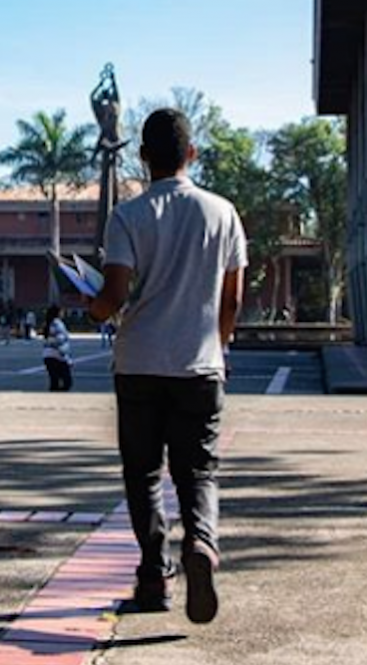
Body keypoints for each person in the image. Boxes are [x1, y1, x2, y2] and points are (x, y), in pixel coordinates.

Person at [89, 108, 247, 624]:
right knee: (198, 470)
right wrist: (217, 347)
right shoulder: (223, 212)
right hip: (200, 365)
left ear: (142, 157)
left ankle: (154, 577)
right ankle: (201, 543)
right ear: (191, 154)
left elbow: (113, 296)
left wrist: (88, 307)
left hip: (139, 363)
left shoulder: (128, 217)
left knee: (143, 474)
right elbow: (233, 299)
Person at [42, 305, 73, 392]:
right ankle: (58, 400)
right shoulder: (57, 323)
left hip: (47, 355)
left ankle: (52, 400)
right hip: (58, 356)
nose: (63, 313)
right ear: (58, 313)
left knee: (54, 382)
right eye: (62, 311)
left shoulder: (48, 323)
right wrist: (67, 359)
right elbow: (60, 341)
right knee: (67, 382)